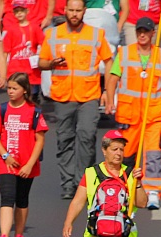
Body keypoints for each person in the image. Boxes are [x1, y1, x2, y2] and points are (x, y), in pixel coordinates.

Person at [104, 16, 161, 209]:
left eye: (146, 31)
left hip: (153, 116)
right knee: (124, 154)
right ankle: (124, 187)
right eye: (139, 31)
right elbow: (113, 78)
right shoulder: (124, 53)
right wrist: (110, 99)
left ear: (153, 33)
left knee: (153, 155)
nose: (141, 34)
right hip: (128, 115)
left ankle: (152, 192)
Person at [38, 0, 112, 199]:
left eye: (78, 10)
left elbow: (110, 62)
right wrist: (51, 63)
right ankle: (68, 184)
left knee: (87, 136)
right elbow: (41, 62)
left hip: (89, 96)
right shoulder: (53, 34)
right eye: (71, 10)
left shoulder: (96, 34)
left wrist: (108, 91)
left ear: (84, 12)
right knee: (64, 140)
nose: (74, 14)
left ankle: (83, 182)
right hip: (63, 97)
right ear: (65, 10)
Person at [0, 72, 48, 237]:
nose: (11, 91)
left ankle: (19, 235)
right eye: (9, 88)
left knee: (22, 199)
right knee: (7, 197)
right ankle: (5, 236)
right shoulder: (3, 109)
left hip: (26, 163)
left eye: (15, 88)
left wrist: (30, 164)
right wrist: (5, 155)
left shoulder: (34, 111)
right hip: (6, 162)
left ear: (24, 90)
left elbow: (40, 139)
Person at [2, 0, 46, 102]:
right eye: (17, 11)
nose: (19, 13)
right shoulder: (11, 30)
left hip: (31, 70)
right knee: (17, 96)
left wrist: (39, 55)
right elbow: (5, 53)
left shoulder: (34, 27)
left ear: (27, 11)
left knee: (32, 97)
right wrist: (3, 74)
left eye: (22, 11)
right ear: (13, 13)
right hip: (15, 70)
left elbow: (43, 44)